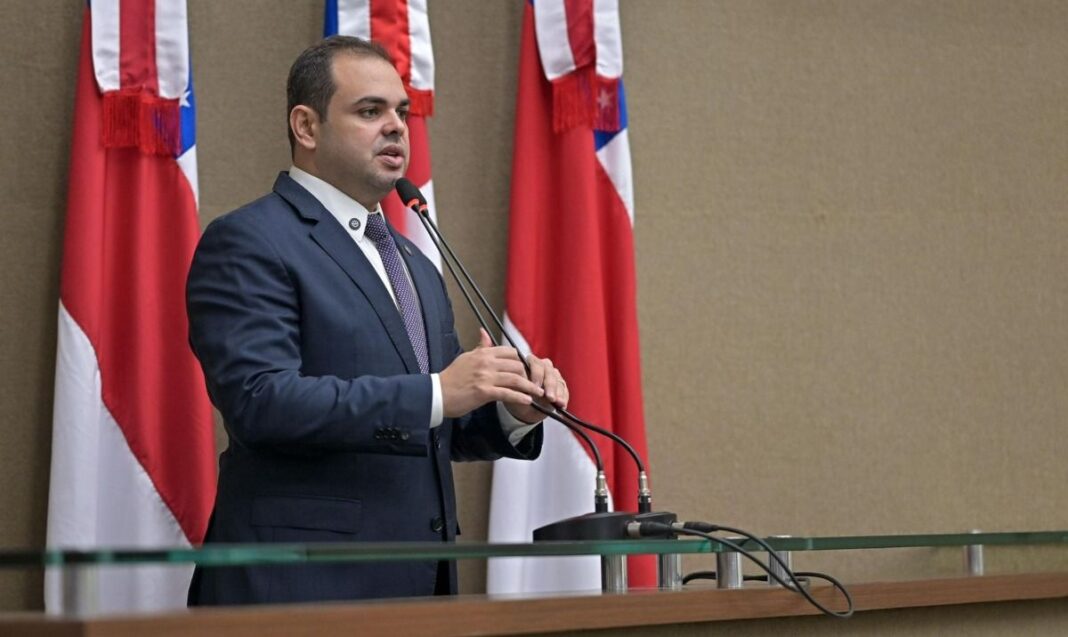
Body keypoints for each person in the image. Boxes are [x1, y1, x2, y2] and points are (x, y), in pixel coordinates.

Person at [185, 36, 568, 605]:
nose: (396, 127)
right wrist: (438, 392)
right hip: (298, 589)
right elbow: (261, 402)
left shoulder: (414, 260)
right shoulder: (250, 241)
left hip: (419, 589)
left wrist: (512, 411)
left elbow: (436, 422)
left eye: (402, 112)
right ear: (306, 126)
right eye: (370, 111)